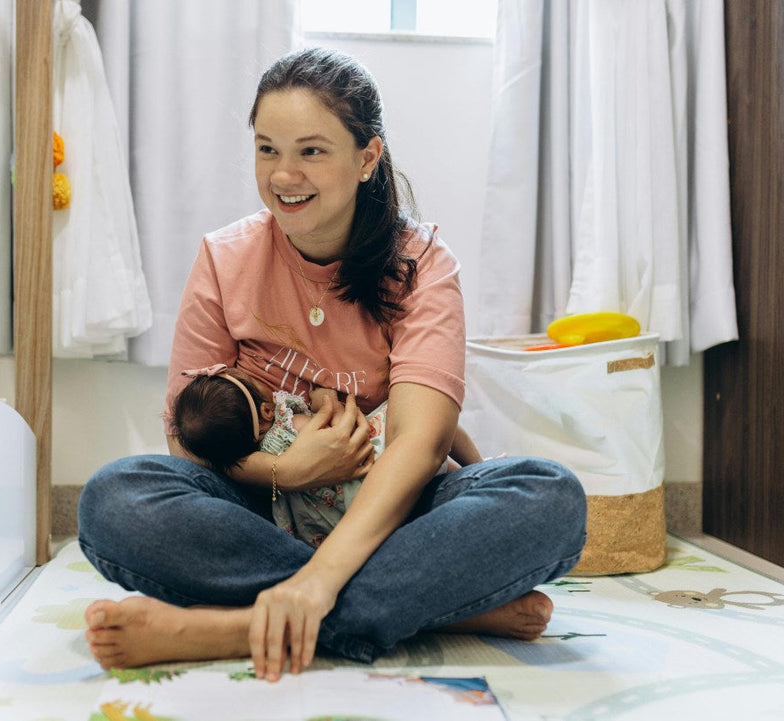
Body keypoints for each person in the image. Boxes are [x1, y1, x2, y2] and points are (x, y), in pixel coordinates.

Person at [78, 46, 587, 681]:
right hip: (259, 513)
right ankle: (428, 607)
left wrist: (318, 580)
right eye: (267, 149)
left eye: (312, 151)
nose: (284, 174)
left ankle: (234, 627)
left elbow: (421, 445)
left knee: (549, 494)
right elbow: (187, 438)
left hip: (395, 512)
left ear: (367, 158)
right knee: (115, 497)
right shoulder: (224, 258)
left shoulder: (423, 264)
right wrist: (284, 472)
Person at [170, 362, 484, 548]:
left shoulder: (250, 463)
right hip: (371, 470)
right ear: (266, 411)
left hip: (332, 518)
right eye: (252, 381)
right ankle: (479, 468)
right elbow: (337, 432)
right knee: (432, 419)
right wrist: (325, 401)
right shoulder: (288, 425)